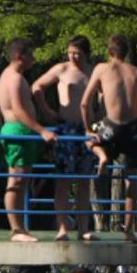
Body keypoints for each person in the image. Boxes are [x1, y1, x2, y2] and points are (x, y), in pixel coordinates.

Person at [81, 35, 137, 242]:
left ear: (109, 51)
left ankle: (101, 154)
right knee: (132, 179)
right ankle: (129, 229)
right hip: (132, 129)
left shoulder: (101, 69)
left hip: (109, 126)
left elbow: (85, 103)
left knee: (88, 139)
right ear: (127, 52)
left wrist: (89, 128)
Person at [35, 35, 102, 241]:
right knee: (63, 182)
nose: (73, 57)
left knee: (83, 182)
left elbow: (106, 95)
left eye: (78, 53)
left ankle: (83, 228)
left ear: (86, 54)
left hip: (86, 130)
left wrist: (98, 117)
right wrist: (47, 110)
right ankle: (62, 227)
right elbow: (37, 87)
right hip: (66, 129)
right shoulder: (62, 69)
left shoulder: (93, 72)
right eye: (70, 52)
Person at [0, 37, 57, 242]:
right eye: (29, 55)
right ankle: (16, 230)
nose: (33, 59)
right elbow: (18, 109)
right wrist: (42, 130)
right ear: (18, 56)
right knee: (16, 180)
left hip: (20, 132)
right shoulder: (13, 78)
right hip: (18, 132)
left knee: (22, 182)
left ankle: (20, 228)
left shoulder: (12, 76)